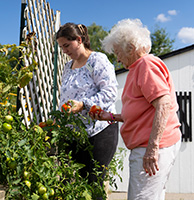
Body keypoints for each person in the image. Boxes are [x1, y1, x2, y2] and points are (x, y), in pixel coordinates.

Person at [90, 18, 182, 200]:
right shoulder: (138, 68)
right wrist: (112, 116)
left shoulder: (146, 65)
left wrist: (152, 148)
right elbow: (142, 112)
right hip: (150, 145)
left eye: (117, 52)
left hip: (152, 146)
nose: (116, 58)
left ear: (130, 48)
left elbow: (163, 103)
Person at [56, 22, 119, 199]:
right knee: (70, 185)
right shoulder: (68, 67)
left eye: (67, 45)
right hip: (73, 134)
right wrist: (59, 118)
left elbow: (110, 93)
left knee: (93, 183)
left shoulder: (96, 61)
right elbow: (65, 99)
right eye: (61, 47)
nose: (64, 50)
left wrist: (83, 104)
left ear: (79, 39)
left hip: (99, 132)